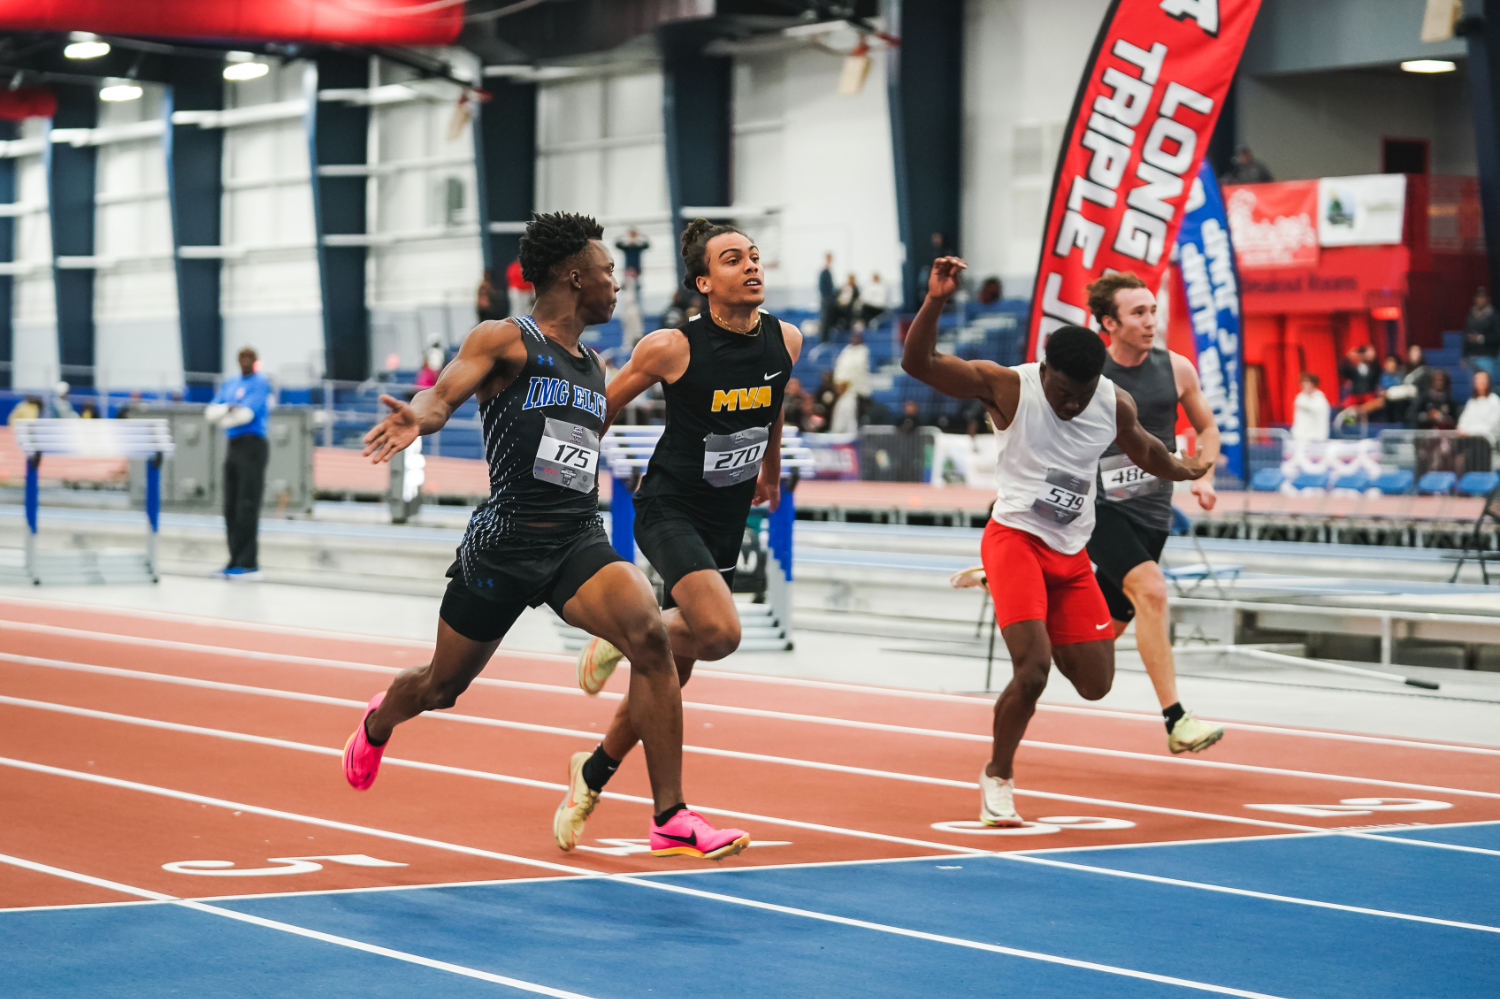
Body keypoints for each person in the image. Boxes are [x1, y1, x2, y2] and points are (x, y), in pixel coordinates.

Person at [348, 212, 749, 861]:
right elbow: (444, 395)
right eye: (608, 270)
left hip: (574, 539)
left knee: (649, 635)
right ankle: (378, 720)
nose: (615, 283)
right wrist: (418, 418)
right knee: (441, 688)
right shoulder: (506, 338)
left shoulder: (594, 365)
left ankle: (670, 815)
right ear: (573, 274)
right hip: (504, 544)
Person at [901, 256, 1211, 826]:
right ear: (1046, 371)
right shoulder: (1006, 387)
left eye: (1081, 394)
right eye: (1065, 393)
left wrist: (1184, 470)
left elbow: (1145, 450)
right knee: (1033, 670)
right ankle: (998, 776)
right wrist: (937, 299)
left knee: (1096, 684)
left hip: (1071, 554)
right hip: (1015, 538)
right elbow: (917, 362)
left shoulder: (1111, 402)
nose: (1072, 405)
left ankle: (1028, 604)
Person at [561, 218, 801, 849]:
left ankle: (595, 772)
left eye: (753, 257)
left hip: (725, 517)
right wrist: (569, 472)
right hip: (669, 507)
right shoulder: (672, 346)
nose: (751, 266)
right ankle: (625, 633)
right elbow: (602, 406)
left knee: (668, 672)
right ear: (704, 282)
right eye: (732, 260)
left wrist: (769, 476)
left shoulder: (788, 340)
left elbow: (772, 410)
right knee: (718, 633)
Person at [1082, 272, 1225, 755]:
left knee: (1097, 639)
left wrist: (1202, 474)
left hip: (1152, 515)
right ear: (1109, 323)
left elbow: (1206, 427)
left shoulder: (1177, 369)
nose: (1149, 322)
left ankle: (1026, 601)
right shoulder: (1088, 373)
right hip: (1098, 509)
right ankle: (1177, 720)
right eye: (1137, 313)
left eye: (1152, 311)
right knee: (1153, 589)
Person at [207, 347, 272, 579]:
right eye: (241, 358)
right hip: (233, 445)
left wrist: (226, 414)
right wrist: (228, 411)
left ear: (255, 361)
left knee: (247, 504)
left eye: (249, 358)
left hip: (252, 446)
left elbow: (246, 415)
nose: (245, 362)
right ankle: (234, 559)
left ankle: (248, 563)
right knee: (231, 505)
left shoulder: (260, 383)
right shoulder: (231, 383)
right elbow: (211, 413)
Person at [832, 329, 872, 431]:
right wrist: (839, 384)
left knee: (852, 422)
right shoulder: (846, 351)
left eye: (857, 337)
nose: (854, 339)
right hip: (844, 392)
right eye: (853, 337)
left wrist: (846, 383)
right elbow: (840, 369)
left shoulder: (863, 351)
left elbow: (856, 369)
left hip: (856, 392)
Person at [1458, 369, 1500, 448]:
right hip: (1471, 444)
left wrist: (1468, 432)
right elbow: (1462, 423)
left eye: (1483, 379)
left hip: (1488, 445)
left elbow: (1490, 427)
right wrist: (1463, 430)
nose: (1480, 382)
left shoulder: (1494, 401)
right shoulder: (1472, 402)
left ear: (1488, 381)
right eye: (1477, 379)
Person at [1464, 287, 1499, 377]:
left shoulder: (1494, 316)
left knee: (1486, 384)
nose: (1480, 300)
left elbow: (1497, 336)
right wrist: (1464, 355)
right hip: (1472, 356)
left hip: (1487, 356)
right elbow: (1465, 336)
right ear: (1475, 299)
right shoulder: (1470, 316)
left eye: (1483, 297)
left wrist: (1480, 338)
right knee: (1474, 387)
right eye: (1478, 297)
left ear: (1487, 299)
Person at [1290, 373, 1330, 442]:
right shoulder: (1300, 397)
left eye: (1307, 383)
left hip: (1316, 439)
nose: (1304, 386)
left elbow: (1321, 419)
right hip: (1300, 438)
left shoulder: (1320, 400)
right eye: (1302, 383)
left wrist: (1321, 438)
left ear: (1313, 384)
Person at [818, 253, 837, 343]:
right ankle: (823, 340)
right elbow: (822, 287)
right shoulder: (824, 272)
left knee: (828, 320)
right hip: (826, 299)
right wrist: (828, 297)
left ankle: (826, 339)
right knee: (825, 320)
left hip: (828, 299)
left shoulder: (828, 271)